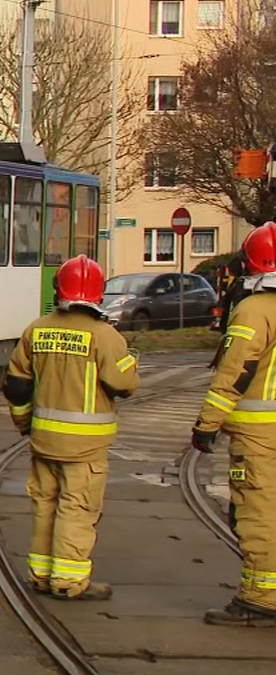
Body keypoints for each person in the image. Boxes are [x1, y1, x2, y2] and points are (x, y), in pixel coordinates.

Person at [3, 254, 139, 601]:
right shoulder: (104, 336)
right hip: (85, 447)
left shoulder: (37, 329)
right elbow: (125, 383)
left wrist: (24, 423)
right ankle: (67, 580)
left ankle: (40, 574)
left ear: (58, 289)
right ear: (98, 293)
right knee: (76, 508)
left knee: (45, 504)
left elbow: (16, 385)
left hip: (43, 440)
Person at [193, 221, 276, 628]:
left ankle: (260, 598)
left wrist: (207, 425)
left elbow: (234, 373)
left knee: (257, 513)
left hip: (261, 435)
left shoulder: (254, 310)